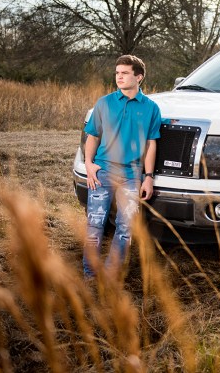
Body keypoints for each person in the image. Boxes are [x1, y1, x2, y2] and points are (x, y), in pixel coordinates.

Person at [82, 54, 161, 278]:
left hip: (131, 176)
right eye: (117, 73)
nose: (119, 77)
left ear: (139, 77)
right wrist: (89, 164)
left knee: (125, 229)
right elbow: (92, 136)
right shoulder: (104, 103)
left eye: (125, 73)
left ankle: (110, 276)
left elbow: (150, 144)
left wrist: (148, 177)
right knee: (95, 225)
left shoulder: (151, 108)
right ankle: (90, 276)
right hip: (103, 172)